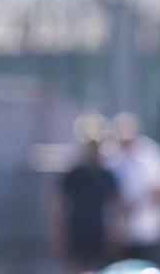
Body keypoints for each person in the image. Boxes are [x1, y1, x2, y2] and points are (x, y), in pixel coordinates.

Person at [48, 110, 120, 274]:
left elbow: (115, 206)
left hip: (100, 234)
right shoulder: (73, 175)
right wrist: (57, 231)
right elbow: (58, 204)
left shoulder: (107, 176)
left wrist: (115, 231)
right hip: (76, 232)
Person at [105, 112, 160, 266]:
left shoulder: (152, 155)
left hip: (148, 229)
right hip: (121, 233)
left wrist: (142, 203)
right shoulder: (109, 156)